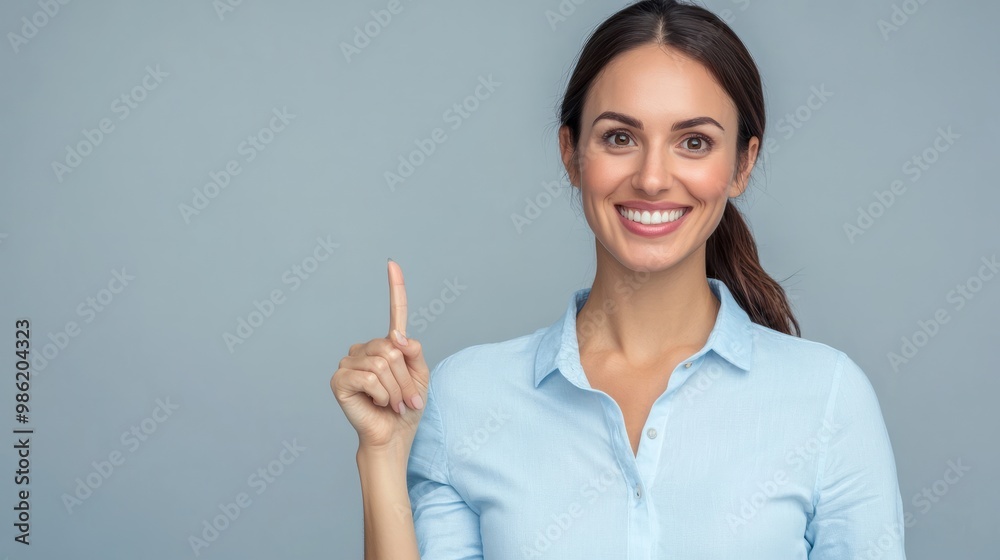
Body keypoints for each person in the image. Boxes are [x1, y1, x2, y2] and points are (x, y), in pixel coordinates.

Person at [330, 0, 907, 558]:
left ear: (742, 165)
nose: (653, 178)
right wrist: (381, 455)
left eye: (694, 142)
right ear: (570, 153)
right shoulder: (466, 398)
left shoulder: (828, 398)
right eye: (620, 138)